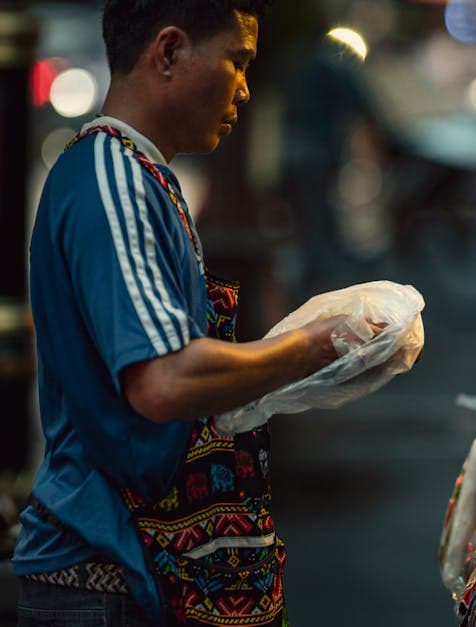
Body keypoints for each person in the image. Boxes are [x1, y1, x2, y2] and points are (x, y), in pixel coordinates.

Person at [14, 2, 346, 625]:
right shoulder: (109, 178)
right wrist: (313, 346)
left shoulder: (144, 176)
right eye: (237, 62)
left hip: (141, 573)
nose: (246, 88)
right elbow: (164, 380)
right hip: (105, 577)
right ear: (168, 52)